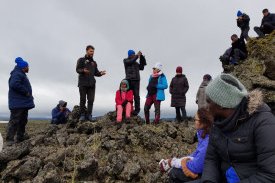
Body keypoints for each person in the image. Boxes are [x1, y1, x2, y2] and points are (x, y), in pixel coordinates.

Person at [201, 73, 275, 182]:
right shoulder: (217, 123)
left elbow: (270, 175)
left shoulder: (263, 122)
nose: (206, 106)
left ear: (221, 104)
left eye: (208, 101)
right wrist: (208, 181)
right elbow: (211, 159)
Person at [159, 108, 213, 183]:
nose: (194, 121)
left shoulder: (207, 141)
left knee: (174, 173)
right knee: (175, 170)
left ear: (203, 122)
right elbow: (196, 153)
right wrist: (179, 160)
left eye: (195, 119)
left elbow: (196, 167)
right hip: (207, 172)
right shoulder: (204, 135)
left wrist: (172, 162)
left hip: (208, 177)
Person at [6, 57, 35, 146]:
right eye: (27, 66)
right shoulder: (17, 74)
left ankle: (20, 137)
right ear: (23, 67)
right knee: (15, 121)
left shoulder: (20, 74)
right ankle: (9, 140)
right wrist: (26, 92)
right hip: (17, 103)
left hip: (22, 103)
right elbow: (14, 84)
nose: (28, 68)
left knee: (22, 121)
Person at [76, 45, 106, 122]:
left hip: (92, 84)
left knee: (91, 100)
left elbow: (96, 73)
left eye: (93, 51)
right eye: (91, 51)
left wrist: (100, 73)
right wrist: (83, 70)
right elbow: (77, 69)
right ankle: (82, 115)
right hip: (83, 83)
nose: (92, 53)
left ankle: (89, 115)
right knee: (82, 99)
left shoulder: (94, 63)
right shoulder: (81, 60)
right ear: (87, 51)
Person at [123, 50, 147, 116]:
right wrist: (137, 56)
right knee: (128, 96)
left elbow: (142, 67)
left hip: (136, 80)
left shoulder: (136, 63)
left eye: (134, 54)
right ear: (129, 55)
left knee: (136, 96)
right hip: (129, 80)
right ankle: (128, 109)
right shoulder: (125, 60)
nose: (134, 55)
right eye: (132, 54)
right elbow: (131, 61)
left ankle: (136, 110)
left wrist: (142, 58)